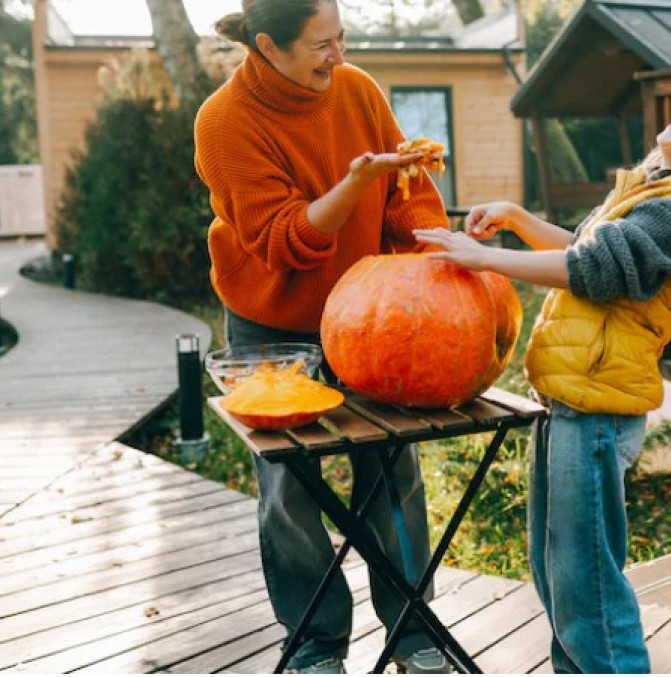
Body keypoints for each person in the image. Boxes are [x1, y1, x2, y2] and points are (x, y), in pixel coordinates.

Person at [415, 78, 671, 673]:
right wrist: (517, 219)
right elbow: (584, 247)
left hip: (594, 413)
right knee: (559, 576)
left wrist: (486, 259)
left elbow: (590, 268)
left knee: (586, 587)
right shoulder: (656, 195)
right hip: (568, 400)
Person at [194, 1, 451, 673]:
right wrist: (354, 181)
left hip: (372, 314)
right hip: (270, 325)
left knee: (393, 469)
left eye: (341, 38)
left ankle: (414, 633)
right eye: (319, 45)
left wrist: (438, 247)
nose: (337, 55)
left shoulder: (358, 89)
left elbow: (408, 191)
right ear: (267, 46)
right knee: (287, 487)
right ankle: (316, 644)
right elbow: (285, 242)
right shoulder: (224, 122)